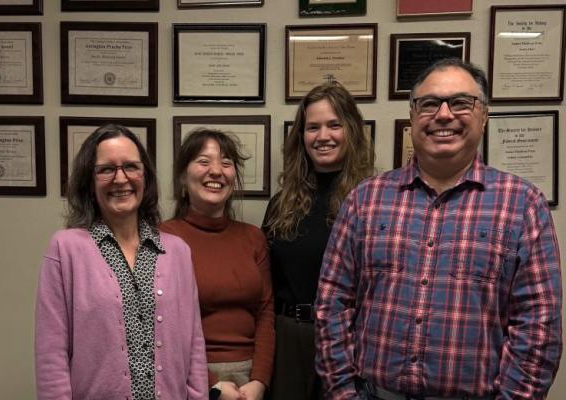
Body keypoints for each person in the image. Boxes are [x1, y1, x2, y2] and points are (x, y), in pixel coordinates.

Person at [315, 59, 562, 400]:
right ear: (413, 116)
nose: (444, 115)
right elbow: (332, 303)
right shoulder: (365, 200)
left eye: (461, 102)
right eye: (429, 104)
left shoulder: (521, 205)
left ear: (484, 115)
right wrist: (343, 392)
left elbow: (538, 327)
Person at [35, 124, 207, 400]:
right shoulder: (65, 249)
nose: (120, 178)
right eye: (106, 169)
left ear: (145, 177)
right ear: (89, 181)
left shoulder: (177, 252)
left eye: (130, 166)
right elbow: (51, 354)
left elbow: (194, 346)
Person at [262, 82, 374, 400]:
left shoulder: (372, 199)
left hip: (350, 339)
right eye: (313, 127)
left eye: (334, 125)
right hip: (288, 338)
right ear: (302, 136)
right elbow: (267, 283)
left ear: (351, 130)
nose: (322, 136)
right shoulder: (282, 203)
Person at [161, 128, 274, 400]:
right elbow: (162, 327)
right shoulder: (164, 238)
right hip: (190, 379)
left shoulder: (253, 237)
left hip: (251, 382)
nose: (216, 171)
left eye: (226, 163)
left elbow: (265, 314)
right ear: (182, 178)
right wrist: (211, 385)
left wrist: (259, 381)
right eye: (203, 161)